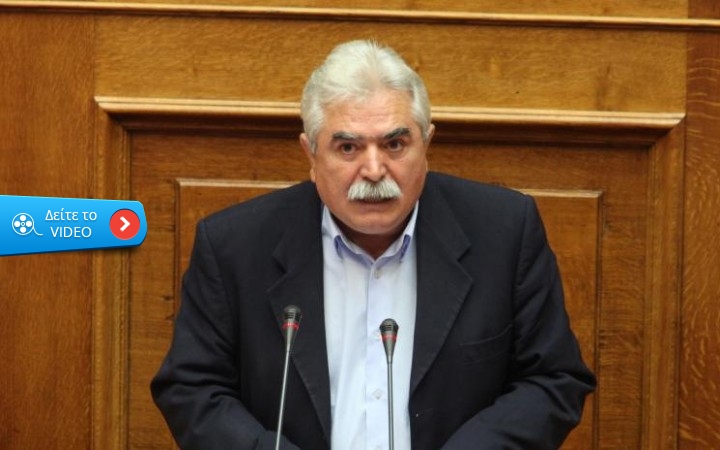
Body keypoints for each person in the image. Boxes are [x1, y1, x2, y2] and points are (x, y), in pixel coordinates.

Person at [151, 40, 596, 450]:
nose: (374, 170)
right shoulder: (235, 246)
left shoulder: (504, 232)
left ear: (427, 145)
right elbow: (191, 388)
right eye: (347, 148)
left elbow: (553, 379)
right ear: (310, 154)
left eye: (395, 144)